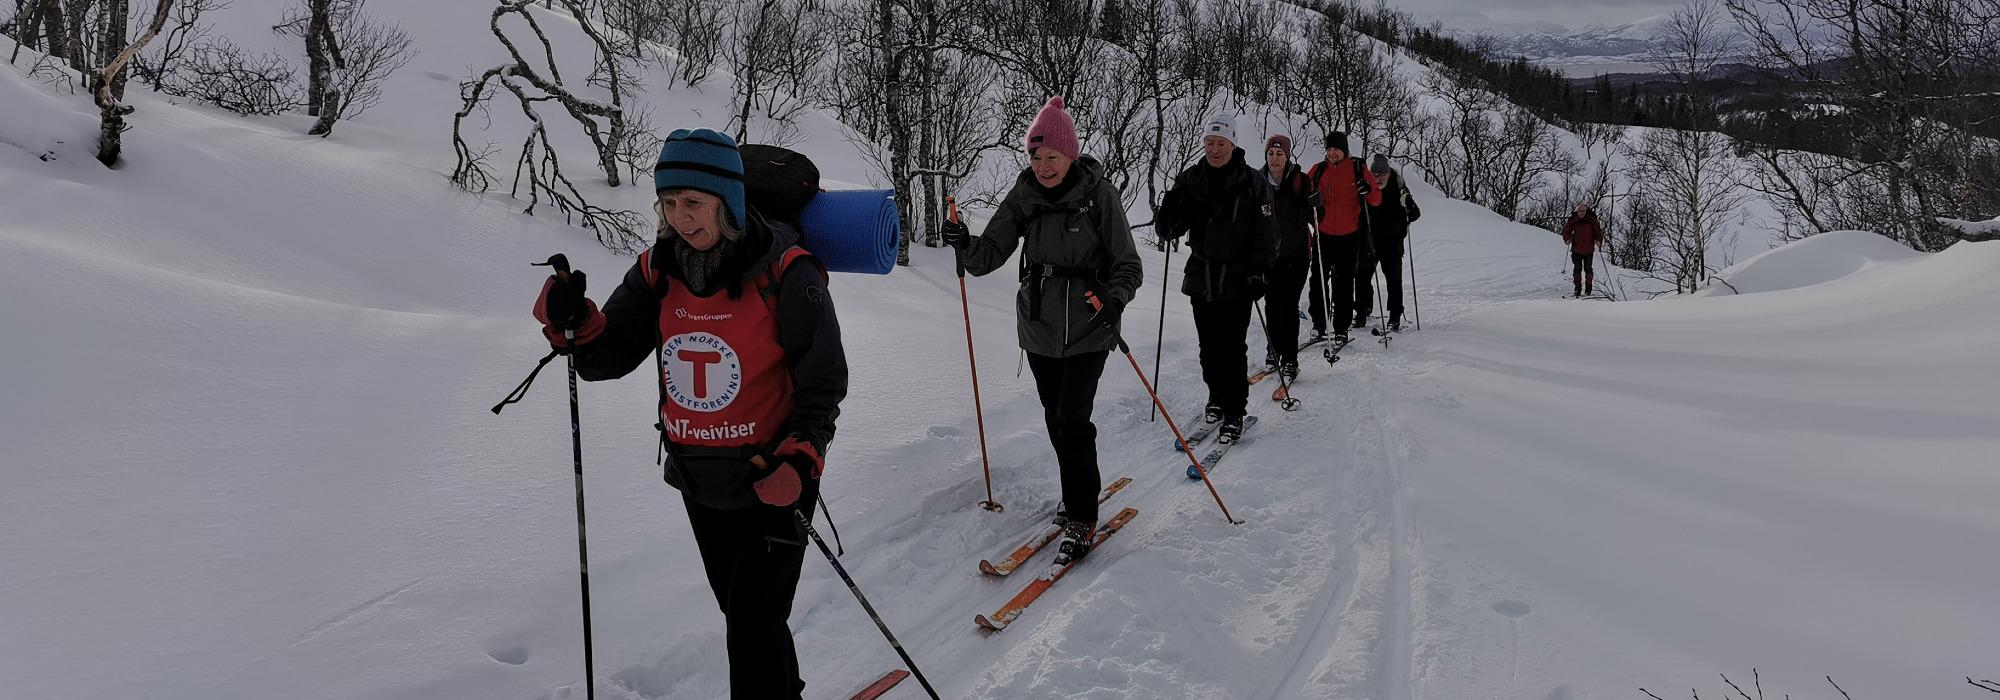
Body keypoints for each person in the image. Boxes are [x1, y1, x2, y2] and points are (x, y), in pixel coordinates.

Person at [533, 128, 848, 700]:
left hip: (772, 478)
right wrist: (572, 322)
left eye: (694, 203)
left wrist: (800, 459)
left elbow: (823, 379)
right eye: (669, 203)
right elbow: (607, 357)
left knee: (751, 626)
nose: (680, 217)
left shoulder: (788, 271)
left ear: (726, 201)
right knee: (746, 617)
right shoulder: (658, 270)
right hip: (700, 478)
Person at [941, 96, 1143, 565]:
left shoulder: (1098, 194)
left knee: (1072, 419)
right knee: (1056, 418)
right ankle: (1076, 493)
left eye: (1051, 156)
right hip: (1039, 327)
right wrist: (964, 242)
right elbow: (987, 254)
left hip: (1091, 324)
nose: (1043, 165)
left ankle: (1082, 513)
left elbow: (1127, 264)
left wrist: (1116, 299)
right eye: (1035, 156)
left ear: (1070, 155)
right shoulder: (1024, 195)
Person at [1157, 112, 1278, 444]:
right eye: (1209, 142)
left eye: (1220, 143)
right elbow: (1172, 227)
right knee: (1208, 347)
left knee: (1231, 347)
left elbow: (1267, 234)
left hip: (1239, 276)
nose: (1214, 149)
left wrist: (1258, 271)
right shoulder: (1191, 179)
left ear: (1233, 144)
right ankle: (1216, 397)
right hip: (1202, 274)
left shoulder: (1254, 183)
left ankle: (1235, 409)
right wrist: (1167, 214)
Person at [1257, 133, 1322, 384]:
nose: (1274, 158)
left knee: (1288, 305)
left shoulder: (1300, 181)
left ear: (1287, 156)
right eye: (1271, 154)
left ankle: (1291, 359)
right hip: (1269, 256)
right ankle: (1273, 350)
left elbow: (1317, 218)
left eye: (1279, 154)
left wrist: (1317, 204)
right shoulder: (1258, 181)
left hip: (1296, 253)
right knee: (1272, 304)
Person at [1307, 131, 1382, 342]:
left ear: (1344, 151)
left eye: (1336, 149)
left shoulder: (1357, 168)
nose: (1332, 153)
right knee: (1318, 281)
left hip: (1349, 236)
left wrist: (1368, 189)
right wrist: (1309, 197)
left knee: (1344, 283)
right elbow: (1303, 192)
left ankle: (1341, 327)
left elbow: (1376, 199)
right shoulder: (1318, 170)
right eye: (1329, 149)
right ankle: (1319, 324)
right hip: (1323, 234)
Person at [1364, 154, 1422, 330]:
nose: (1378, 178)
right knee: (1363, 275)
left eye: (1382, 174)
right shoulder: (1368, 188)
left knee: (1393, 280)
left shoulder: (1399, 188)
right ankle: (1363, 308)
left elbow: (1415, 213)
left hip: (1393, 241)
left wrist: (1408, 207)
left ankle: (1395, 315)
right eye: (1375, 174)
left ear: (1389, 173)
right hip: (1371, 241)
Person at [1562, 204, 1606, 297]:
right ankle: (1577, 289)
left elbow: (1597, 231)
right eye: (1579, 211)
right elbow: (1567, 231)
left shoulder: (1592, 220)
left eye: (1583, 211)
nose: (1581, 213)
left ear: (1586, 211)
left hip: (1589, 249)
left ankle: (1588, 289)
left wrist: (1599, 240)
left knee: (1588, 269)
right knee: (1577, 269)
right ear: (1576, 211)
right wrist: (1567, 239)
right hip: (1576, 249)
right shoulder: (1573, 220)